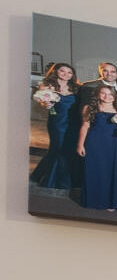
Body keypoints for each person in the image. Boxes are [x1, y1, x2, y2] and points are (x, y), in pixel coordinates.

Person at [77, 86, 117, 214]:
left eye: (110, 94)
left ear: (115, 96)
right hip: (95, 143)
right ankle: (102, 201)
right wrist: (80, 145)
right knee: (98, 171)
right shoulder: (89, 108)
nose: (107, 96)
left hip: (116, 144)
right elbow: (85, 126)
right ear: (98, 94)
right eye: (103, 93)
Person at [30, 63, 82, 191]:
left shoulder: (76, 87)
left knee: (70, 148)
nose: (66, 74)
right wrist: (47, 104)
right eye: (62, 71)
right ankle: (55, 180)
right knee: (58, 147)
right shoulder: (47, 86)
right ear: (56, 71)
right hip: (57, 122)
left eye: (69, 72)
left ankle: (70, 177)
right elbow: (43, 103)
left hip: (75, 123)